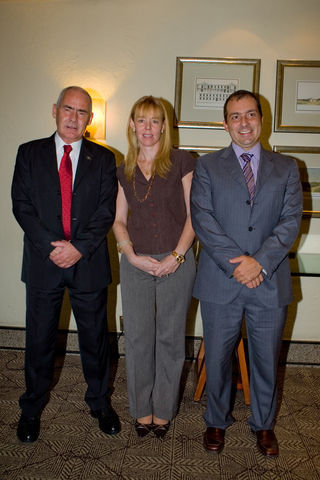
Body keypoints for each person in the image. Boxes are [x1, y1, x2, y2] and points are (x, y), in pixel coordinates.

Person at [190, 90, 302, 456]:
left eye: (250, 114)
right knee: (218, 358)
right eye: (235, 116)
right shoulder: (206, 166)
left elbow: (289, 222)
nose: (244, 123)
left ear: (261, 119)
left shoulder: (287, 167)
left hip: (268, 280)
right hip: (221, 279)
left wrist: (260, 262)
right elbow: (203, 220)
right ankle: (216, 421)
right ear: (225, 124)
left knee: (266, 358)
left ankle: (264, 425)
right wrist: (239, 263)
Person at [11, 86, 120, 443]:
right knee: (39, 340)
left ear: (91, 118)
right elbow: (22, 205)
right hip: (44, 262)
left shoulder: (104, 159)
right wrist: (51, 247)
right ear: (54, 110)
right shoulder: (29, 154)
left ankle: (100, 404)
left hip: (87, 263)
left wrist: (78, 248)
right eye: (68, 110)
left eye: (83, 112)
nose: (74, 118)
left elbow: (106, 210)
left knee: (95, 340)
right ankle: (30, 410)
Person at [113, 95, 196, 438]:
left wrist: (176, 256)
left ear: (164, 125)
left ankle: (163, 409)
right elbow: (118, 220)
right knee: (137, 338)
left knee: (171, 338)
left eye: (155, 120)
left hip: (176, 260)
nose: (148, 127)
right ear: (132, 125)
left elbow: (195, 216)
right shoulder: (123, 169)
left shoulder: (182, 162)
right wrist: (130, 255)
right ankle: (141, 409)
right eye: (141, 120)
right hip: (136, 263)